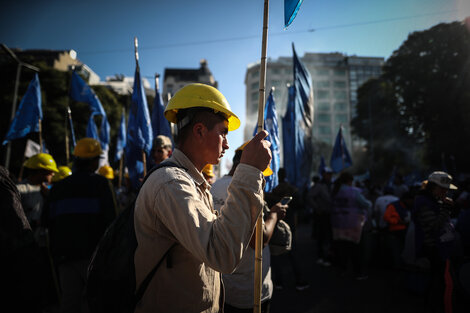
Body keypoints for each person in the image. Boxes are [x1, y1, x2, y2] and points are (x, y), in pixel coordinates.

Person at [133, 83, 271, 313]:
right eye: (223, 132)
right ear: (199, 131)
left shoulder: (190, 181)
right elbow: (222, 253)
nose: (227, 143)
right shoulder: (172, 184)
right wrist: (248, 171)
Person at [44, 138, 117, 313]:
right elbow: (112, 222)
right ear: (94, 161)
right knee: (96, 304)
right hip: (94, 259)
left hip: (64, 258)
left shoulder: (57, 188)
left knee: (69, 303)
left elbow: (47, 223)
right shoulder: (101, 184)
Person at [211, 142, 286, 313]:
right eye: (260, 171)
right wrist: (274, 214)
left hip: (226, 283)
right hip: (249, 289)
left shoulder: (215, 186)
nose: (262, 177)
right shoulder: (248, 191)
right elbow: (260, 240)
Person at [413, 171, 461, 313]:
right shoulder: (424, 202)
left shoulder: (433, 201)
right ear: (432, 187)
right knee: (441, 284)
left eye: (446, 189)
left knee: (438, 283)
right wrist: (446, 209)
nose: (445, 192)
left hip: (440, 248)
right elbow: (434, 226)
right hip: (435, 249)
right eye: (442, 188)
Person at [270, 167, 309, 291]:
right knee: (293, 254)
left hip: (275, 225)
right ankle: (300, 281)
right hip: (290, 225)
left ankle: (278, 281)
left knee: (276, 255)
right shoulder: (292, 190)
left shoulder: (273, 190)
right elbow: (301, 205)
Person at [330, 172, 372, 280]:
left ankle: (342, 270)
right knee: (356, 249)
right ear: (350, 181)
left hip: (338, 224)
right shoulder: (354, 191)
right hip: (353, 224)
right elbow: (366, 204)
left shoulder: (335, 191)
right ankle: (358, 272)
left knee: (342, 248)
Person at [17, 153, 59, 230]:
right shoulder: (20, 190)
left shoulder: (44, 191)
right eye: (50, 171)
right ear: (40, 171)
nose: (53, 174)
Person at [307, 167, 333, 267]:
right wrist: (317, 207)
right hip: (322, 214)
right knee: (322, 236)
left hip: (331, 214)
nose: (329, 176)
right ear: (324, 175)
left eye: (330, 174)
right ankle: (321, 256)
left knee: (329, 236)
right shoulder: (319, 186)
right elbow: (309, 197)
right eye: (328, 174)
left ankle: (329, 256)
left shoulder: (332, 185)